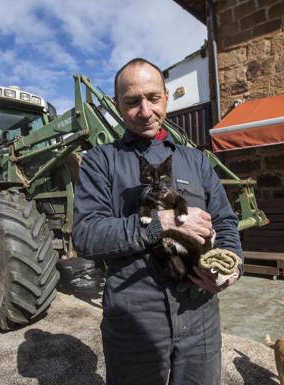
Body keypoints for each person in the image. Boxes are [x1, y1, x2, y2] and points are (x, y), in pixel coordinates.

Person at [72, 58, 243, 385]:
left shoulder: (196, 160)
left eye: (153, 98)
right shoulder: (99, 162)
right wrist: (160, 222)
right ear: (117, 105)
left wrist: (233, 266)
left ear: (166, 97)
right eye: (132, 102)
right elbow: (86, 235)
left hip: (200, 313)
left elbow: (225, 220)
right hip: (134, 318)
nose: (145, 111)